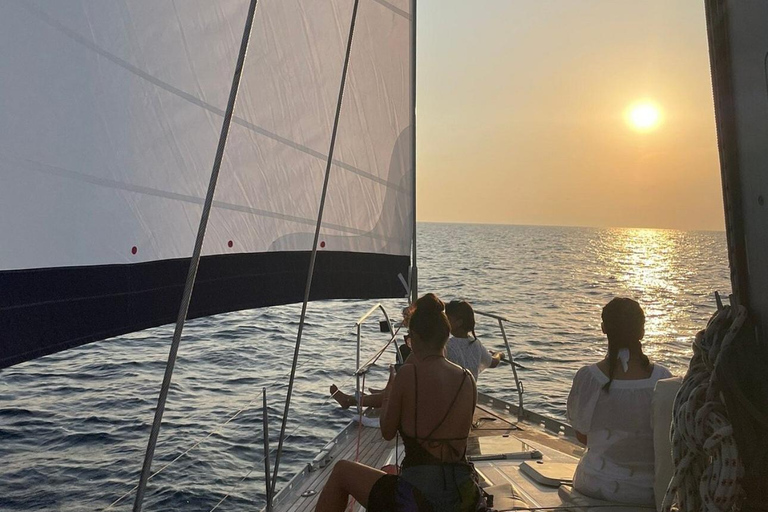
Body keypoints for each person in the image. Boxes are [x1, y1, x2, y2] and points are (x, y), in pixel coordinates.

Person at [316, 293, 485, 512]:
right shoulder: (467, 378)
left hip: (419, 500)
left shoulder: (408, 374)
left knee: (342, 471)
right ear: (444, 336)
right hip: (463, 496)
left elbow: (387, 430)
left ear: (413, 337)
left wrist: (390, 389)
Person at [566, 297, 672, 506]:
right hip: (649, 491)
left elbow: (581, 434)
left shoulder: (588, 378)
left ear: (604, 328)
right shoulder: (664, 378)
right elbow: (667, 439)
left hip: (597, 484)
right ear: (641, 331)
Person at [445, 300, 503, 381]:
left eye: (448, 319)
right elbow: (493, 362)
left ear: (459, 323)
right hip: (469, 391)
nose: (445, 322)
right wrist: (499, 354)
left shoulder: (446, 345)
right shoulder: (476, 344)